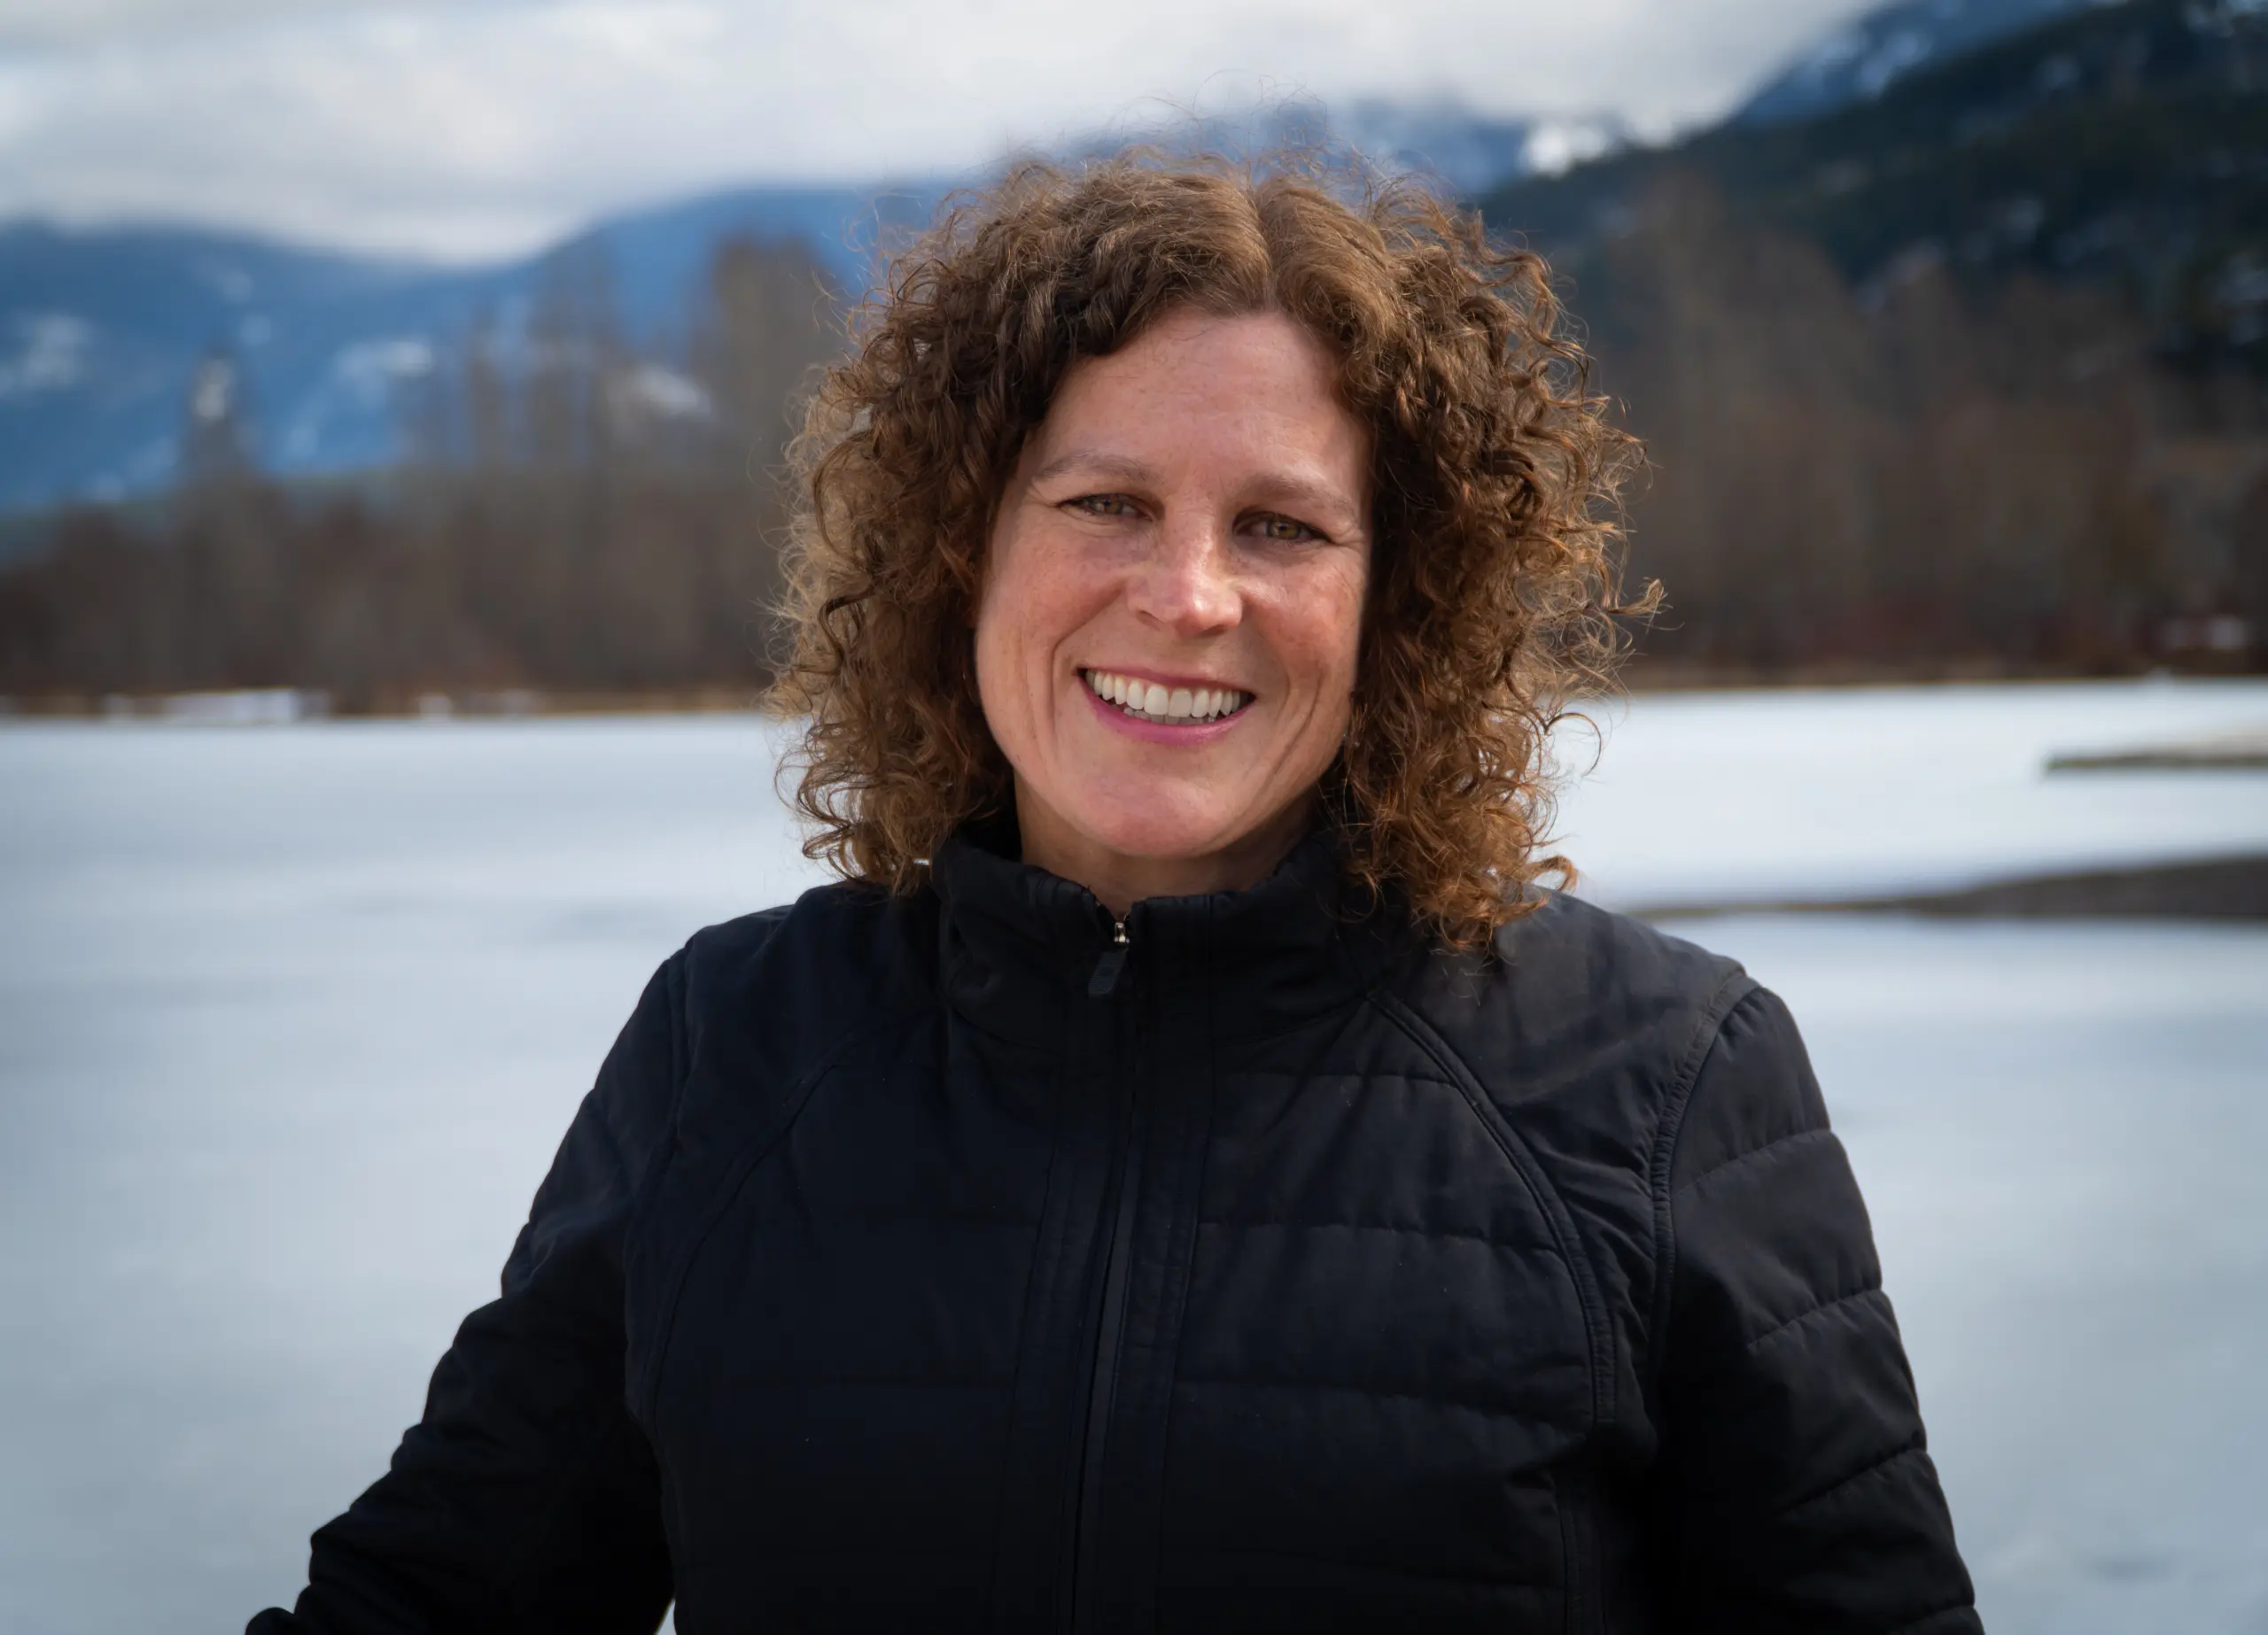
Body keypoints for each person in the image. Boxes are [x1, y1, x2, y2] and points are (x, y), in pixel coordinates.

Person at [252, 154, 1978, 1633]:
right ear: (959, 556)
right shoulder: (737, 1046)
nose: (1187, 593)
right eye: (1105, 500)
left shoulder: (1664, 1075)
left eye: (1283, 527)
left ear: (1401, 599)